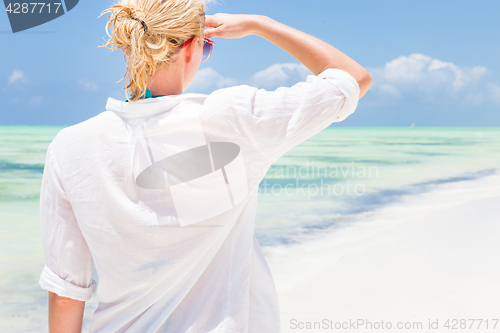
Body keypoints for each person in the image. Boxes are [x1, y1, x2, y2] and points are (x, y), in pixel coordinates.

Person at [38, 0, 372, 332]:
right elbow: (352, 78)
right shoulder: (231, 120)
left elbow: (67, 293)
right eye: (205, 46)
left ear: (130, 47)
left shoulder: (70, 145)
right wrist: (259, 23)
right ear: (191, 48)